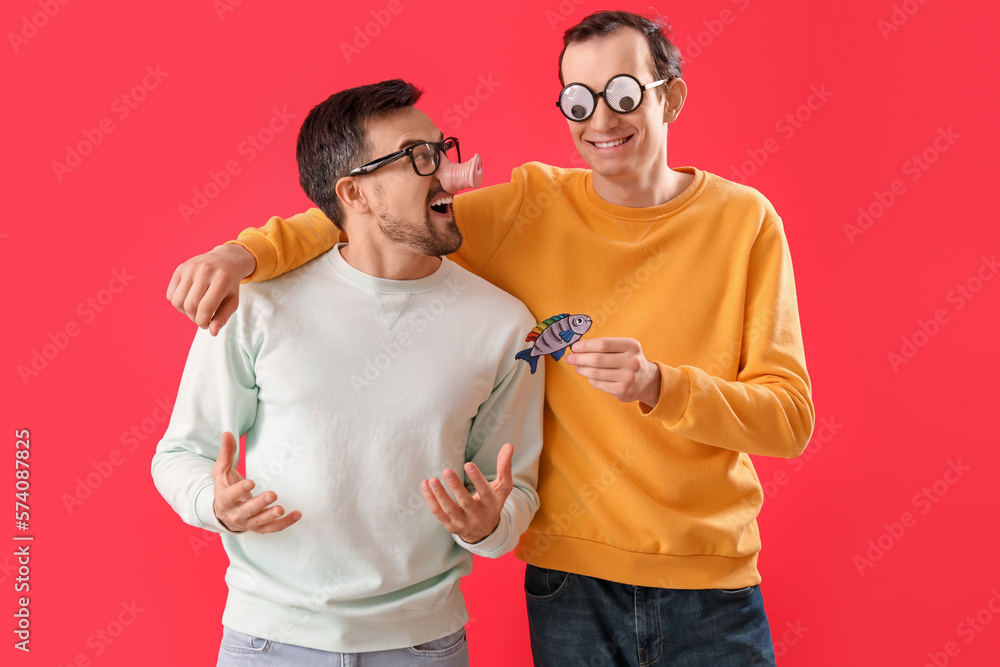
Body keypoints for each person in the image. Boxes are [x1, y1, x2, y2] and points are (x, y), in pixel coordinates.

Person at [167, 11, 815, 666]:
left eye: (623, 94)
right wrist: (243, 255)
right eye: (577, 100)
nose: (601, 120)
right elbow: (371, 217)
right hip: (572, 582)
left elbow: (790, 421)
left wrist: (660, 385)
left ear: (669, 95)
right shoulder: (530, 210)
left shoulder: (744, 223)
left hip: (710, 581)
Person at [151, 79, 544, 666]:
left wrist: (490, 524)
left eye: (442, 149)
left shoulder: (505, 326)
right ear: (354, 194)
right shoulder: (254, 304)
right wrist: (215, 502)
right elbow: (179, 455)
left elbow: (516, 491)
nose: (448, 172)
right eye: (419, 157)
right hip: (267, 644)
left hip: (423, 647)